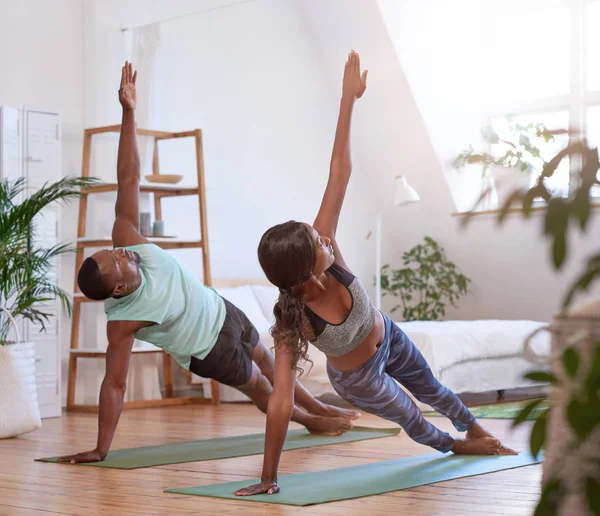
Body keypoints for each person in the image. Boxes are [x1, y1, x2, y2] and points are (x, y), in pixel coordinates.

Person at [234, 50, 517, 497]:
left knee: (437, 391)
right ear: (303, 270)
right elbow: (281, 401)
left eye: (321, 236)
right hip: (361, 378)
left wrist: (348, 101)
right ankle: (453, 448)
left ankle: (476, 429)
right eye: (318, 244)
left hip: (391, 337)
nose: (326, 240)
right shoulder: (294, 320)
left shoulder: (328, 252)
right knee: (413, 417)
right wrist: (268, 476)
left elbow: (339, 172)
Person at [58, 62, 359, 465]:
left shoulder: (128, 235)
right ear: (117, 289)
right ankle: (307, 421)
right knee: (256, 385)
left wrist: (128, 112)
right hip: (207, 349)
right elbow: (114, 384)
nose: (122, 252)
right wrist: (101, 448)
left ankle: (321, 409)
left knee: (269, 362)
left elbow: (128, 175)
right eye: (117, 261)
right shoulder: (123, 321)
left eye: (113, 251)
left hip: (220, 309)